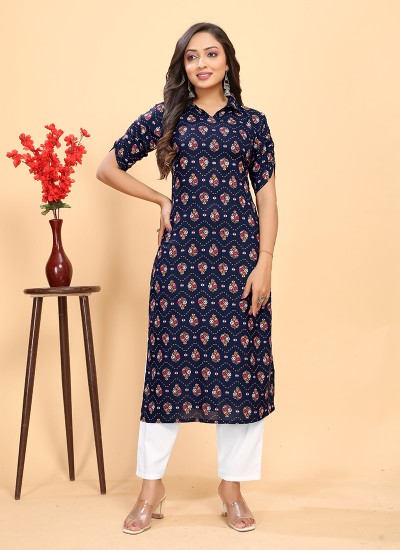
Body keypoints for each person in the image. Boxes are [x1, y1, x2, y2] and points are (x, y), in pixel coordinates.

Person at [96, 21, 278, 534]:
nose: (201, 64)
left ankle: (232, 489)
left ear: (227, 61)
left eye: (211, 54)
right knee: (165, 376)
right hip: (181, 266)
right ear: (183, 65)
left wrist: (265, 261)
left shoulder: (253, 124)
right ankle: (150, 490)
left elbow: (267, 197)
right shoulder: (167, 118)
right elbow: (107, 168)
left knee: (240, 373)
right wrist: (161, 199)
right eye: (192, 56)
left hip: (240, 264)